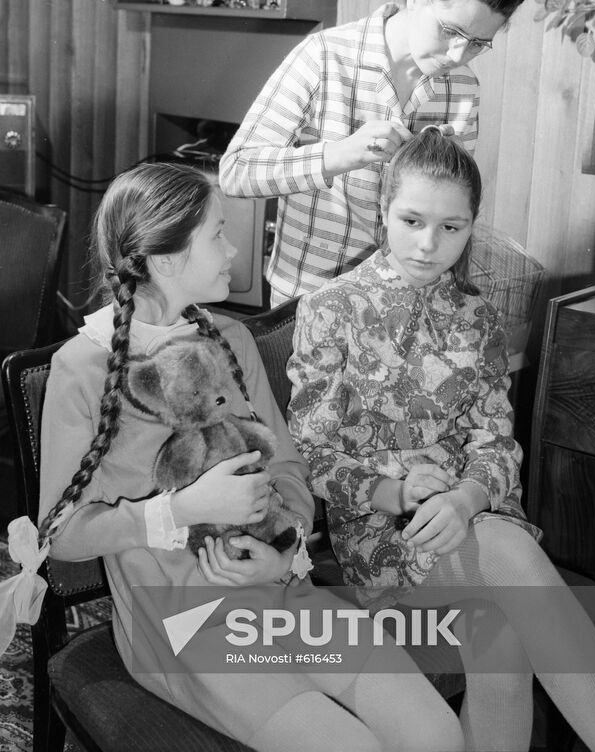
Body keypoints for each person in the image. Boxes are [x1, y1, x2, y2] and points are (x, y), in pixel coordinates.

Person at [3, 161, 466, 752]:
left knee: (436, 733)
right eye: (218, 234)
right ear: (167, 259)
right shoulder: (83, 368)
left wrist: (285, 551)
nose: (234, 249)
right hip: (182, 627)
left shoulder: (232, 339)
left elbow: (290, 470)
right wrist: (182, 509)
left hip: (278, 594)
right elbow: (62, 535)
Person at [286, 129, 595, 752]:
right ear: (383, 210)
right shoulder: (329, 309)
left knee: (500, 638)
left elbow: (496, 440)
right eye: (412, 220)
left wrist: (471, 496)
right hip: (386, 533)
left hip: (474, 514)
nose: (429, 244)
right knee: (511, 558)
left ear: (471, 226)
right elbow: (313, 454)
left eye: (451, 228)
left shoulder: (477, 315)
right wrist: (397, 492)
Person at [218, 0, 539, 306]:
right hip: (306, 300)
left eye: (478, 43)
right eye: (450, 31)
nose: (458, 55)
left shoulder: (462, 87)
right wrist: (339, 155)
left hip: (401, 304)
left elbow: (454, 206)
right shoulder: (324, 56)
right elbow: (236, 171)